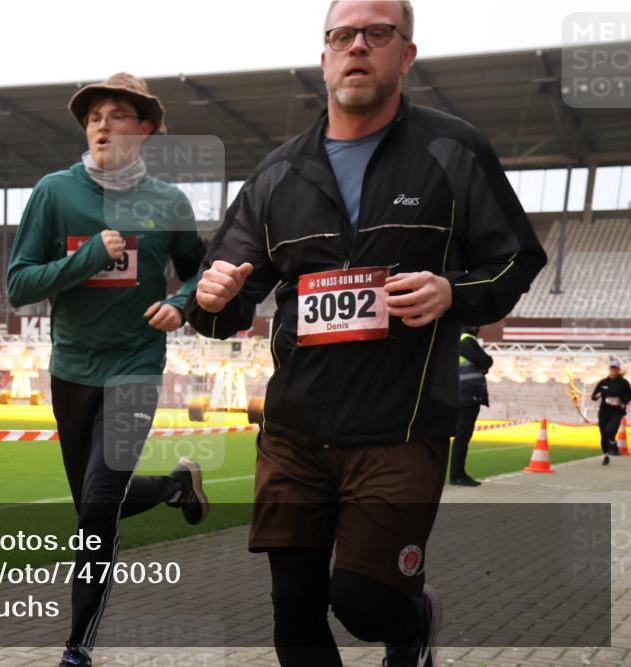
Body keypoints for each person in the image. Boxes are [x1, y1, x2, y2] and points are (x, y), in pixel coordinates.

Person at [184, 1, 546, 665]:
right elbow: (221, 301)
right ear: (323, 59)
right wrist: (210, 296)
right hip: (295, 430)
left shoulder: (452, 150)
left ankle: (412, 623)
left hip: (399, 428)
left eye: (377, 33)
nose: (358, 46)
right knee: (293, 611)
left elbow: (518, 258)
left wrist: (451, 291)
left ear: (405, 54)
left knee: (362, 600)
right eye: (342, 35)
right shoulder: (275, 175)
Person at [6, 72, 209, 667]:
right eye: (94, 115)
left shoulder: (169, 202)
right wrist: (91, 254)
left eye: (117, 114)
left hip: (135, 366)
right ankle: (176, 485)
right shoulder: (54, 193)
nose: (101, 124)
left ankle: (77, 647)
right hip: (71, 369)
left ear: (145, 129)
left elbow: (203, 272)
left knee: (98, 508)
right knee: (93, 502)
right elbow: (19, 285)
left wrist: (180, 302)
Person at [450, 326, 493, 486]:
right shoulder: (466, 339)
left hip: (463, 393)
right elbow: (485, 361)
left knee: (461, 436)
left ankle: (457, 474)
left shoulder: (458, 338)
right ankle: (457, 475)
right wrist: (485, 364)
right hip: (468, 394)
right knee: (463, 437)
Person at [591, 358, 630, 465]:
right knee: (603, 434)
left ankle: (613, 442)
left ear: (618, 369)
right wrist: (596, 395)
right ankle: (606, 455)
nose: (614, 369)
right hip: (604, 411)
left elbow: (628, 395)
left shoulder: (624, 383)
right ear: (609, 369)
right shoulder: (603, 382)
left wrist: (624, 403)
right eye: (612, 367)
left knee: (610, 430)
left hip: (617, 411)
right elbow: (594, 396)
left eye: (616, 368)